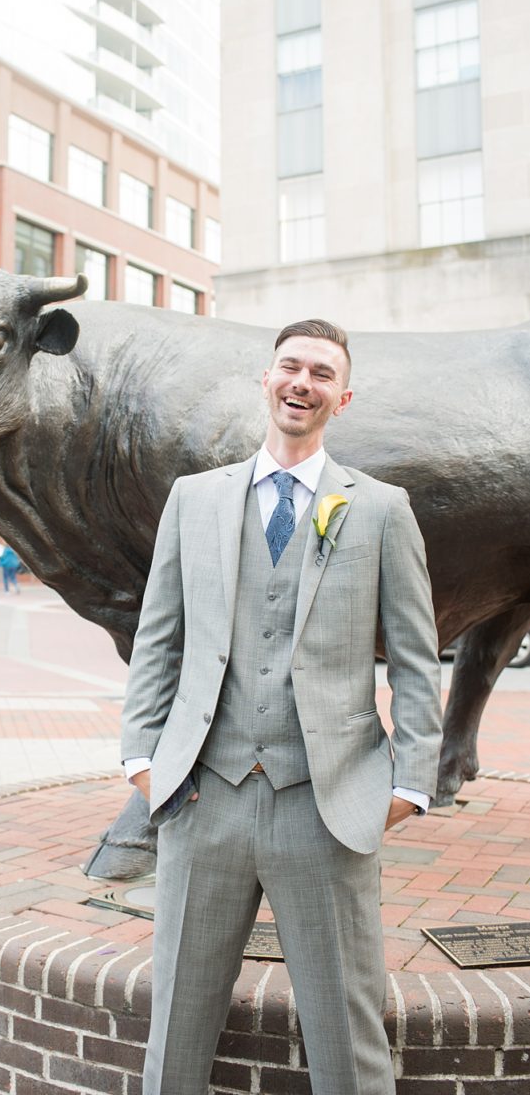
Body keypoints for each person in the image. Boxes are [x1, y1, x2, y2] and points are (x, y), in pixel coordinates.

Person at [121, 319, 442, 1095]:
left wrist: (406, 785)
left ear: (342, 396)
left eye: (320, 373)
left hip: (326, 804)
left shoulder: (380, 509)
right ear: (265, 381)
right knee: (179, 1015)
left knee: (346, 1022)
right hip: (203, 796)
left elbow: (413, 655)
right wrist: (141, 759)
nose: (302, 382)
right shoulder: (193, 499)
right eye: (289, 367)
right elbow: (157, 636)